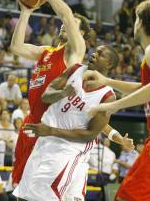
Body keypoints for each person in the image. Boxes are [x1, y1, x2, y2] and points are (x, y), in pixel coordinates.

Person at [9, 0, 131, 189]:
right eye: (67, 23)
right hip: (31, 124)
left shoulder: (74, 55)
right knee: (20, 188)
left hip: (50, 131)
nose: (66, 25)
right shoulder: (46, 52)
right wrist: (26, 11)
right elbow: (16, 47)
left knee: (44, 192)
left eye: (73, 24)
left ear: (81, 34)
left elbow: (89, 112)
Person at [13, 45, 122, 200]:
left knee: (43, 197)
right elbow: (46, 96)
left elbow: (90, 135)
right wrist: (63, 93)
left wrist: (51, 130)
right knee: (23, 195)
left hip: (68, 149)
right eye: (95, 51)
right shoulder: (75, 70)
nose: (94, 54)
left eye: (100, 54)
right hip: (45, 139)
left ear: (109, 64)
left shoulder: (107, 96)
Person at [84, 0, 150, 201]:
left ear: (140, 23)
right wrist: (107, 80)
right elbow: (146, 89)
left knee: (126, 197)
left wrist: (113, 105)